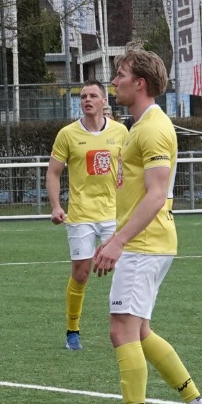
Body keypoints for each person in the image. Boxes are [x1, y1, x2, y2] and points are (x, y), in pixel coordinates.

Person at [90, 46, 202, 404]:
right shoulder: (140, 126)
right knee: (140, 333)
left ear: (139, 82)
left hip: (145, 245)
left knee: (121, 331)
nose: (114, 82)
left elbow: (156, 194)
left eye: (120, 75)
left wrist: (118, 241)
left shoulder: (153, 129)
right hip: (147, 243)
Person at [46, 81, 127, 351]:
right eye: (83, 97)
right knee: (81, 273)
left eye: (93, 95)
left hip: (114, 214)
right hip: (81, 214)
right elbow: (54, 172)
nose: (87, 100)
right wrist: (56, 206)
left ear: (104, 101)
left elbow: (129, 169)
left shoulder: (120, 132)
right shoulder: (68, 134)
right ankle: (72, 330)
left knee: (124, 270)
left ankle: (127, 327)